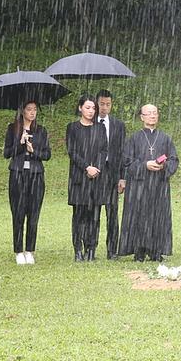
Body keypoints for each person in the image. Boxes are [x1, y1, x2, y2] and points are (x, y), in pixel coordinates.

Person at [118, 104, 178, 261]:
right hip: (139, 185)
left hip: (159, 185)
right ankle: (139, 250)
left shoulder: (165, 138)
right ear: (142, 117)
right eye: (148, 113)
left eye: (154, 113)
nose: (152, 116)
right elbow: (127, 162)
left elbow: (173, 159)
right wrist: (145, 165)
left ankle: (156, 250)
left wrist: (163, 166)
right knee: (139, 216)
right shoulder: (134, 138)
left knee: (158, 216)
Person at [4, 100, 51, 265]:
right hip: (17, 174)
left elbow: (47, 155)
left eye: (35, 109)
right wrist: (20, 144)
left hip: (36, 175)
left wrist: (33, 150)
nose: (32, 112)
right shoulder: (13, 128)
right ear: (22, 111)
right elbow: (6, 153)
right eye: (29, 109)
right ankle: (18, 250)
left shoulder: (41, 131)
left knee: (33, 213)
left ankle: (30, 250)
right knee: (18, 213)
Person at [67, 95, 108, 261]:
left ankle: (91, 249)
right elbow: (72, 151)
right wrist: (86, 167)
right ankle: (78, 249)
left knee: (94, 215)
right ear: (80, 108)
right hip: (79, 177)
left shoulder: (100, 128)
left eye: (93, 108)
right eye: (87, 107)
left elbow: (104, 150)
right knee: (79, 215)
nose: (91, 111)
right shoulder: (73, 128)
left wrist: (96, 167)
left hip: (96, 177)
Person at [95, 90, 126, 259]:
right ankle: (91, 247)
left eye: (108, 104)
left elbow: (122, 152)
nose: (104, 107)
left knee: (112, 212)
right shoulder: (90, 123)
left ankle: (112, 249)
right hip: (95, 170)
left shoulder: (118, 125)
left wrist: (122, 176)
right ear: (96, 103)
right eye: (102, 104)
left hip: (112, 171)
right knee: (93, 212)